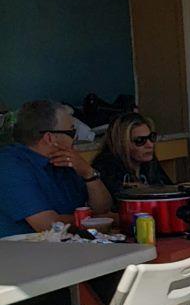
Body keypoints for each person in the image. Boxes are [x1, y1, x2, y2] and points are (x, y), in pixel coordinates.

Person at [0, 99, 113, 236]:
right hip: (24, 248)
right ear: (50, 138)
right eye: (72, 132)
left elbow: (103, 209)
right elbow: (47, 224)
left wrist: (88, 173)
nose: (76, 139)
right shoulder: (9, 166)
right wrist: (98, 220)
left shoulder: (66, 160)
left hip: (70, 244)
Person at [92, 112, 168, 197]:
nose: (150, 145)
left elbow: (169, 189)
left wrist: (148, 189)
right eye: (140, 140)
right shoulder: (107, 168)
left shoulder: (149, 162)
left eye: (151, 137)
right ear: (122, 144)